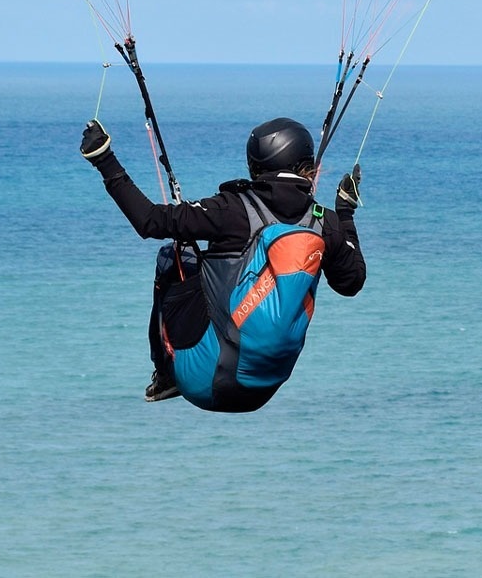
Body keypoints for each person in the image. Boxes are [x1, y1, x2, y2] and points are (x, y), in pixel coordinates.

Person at [81, 116, 366, 411]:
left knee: (173, 256)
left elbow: (150, 220)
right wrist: (345, 213)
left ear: (256, 167)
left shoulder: (231, 209)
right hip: (264, 387)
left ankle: (165, 374)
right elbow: (351, 282)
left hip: (205, 380)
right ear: (305, 164)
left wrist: (104, 159)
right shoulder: (325, 222)